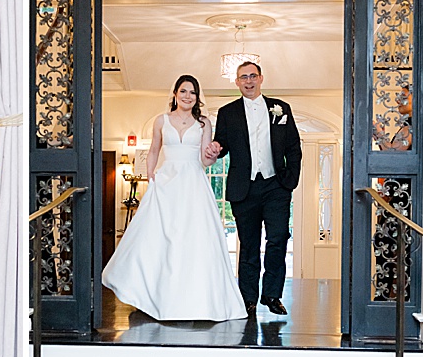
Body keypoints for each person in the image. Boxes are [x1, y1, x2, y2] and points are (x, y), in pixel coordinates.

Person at [102, 75, 247, 322]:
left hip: (193, 183)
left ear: (197, 97)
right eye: (183, 91)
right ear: (175, 94)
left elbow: (205, 159)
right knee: (161, 238)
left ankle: (195, 300)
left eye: (192, 92)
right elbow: (154, 150)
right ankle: (154, 295)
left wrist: (212, 154)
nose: (188, 96)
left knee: (193, 238)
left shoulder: (203, 123)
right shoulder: (161, 121)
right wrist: (150, 176)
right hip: (166, 181)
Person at [205, 61, 302, 316]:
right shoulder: (227, 113)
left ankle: (271, 295)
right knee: (248, 245)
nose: (248, 81)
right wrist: (215, 147)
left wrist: (289, 180)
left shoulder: (281, 109)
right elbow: (223, 144)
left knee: (278, 238)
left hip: (275, 186)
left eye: (252, 76)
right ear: (236, 82)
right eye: (243, 77)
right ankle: (248, 298)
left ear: (261, 78)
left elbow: (293, 146)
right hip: (243, 188)